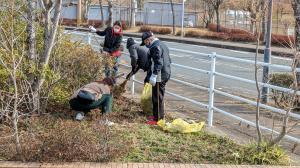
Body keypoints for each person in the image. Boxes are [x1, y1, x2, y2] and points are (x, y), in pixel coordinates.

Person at [141, 31, 172, 125]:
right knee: (157, 96)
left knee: (157, 98)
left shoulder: (155, 47)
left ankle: (158, 119)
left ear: (148, 39)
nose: (146, 45)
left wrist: (154, 75)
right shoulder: (162, 44)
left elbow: (158, 63)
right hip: (165, 72)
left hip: (160, 76)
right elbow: (169, 60)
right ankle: (156, 116)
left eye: (145, 42)